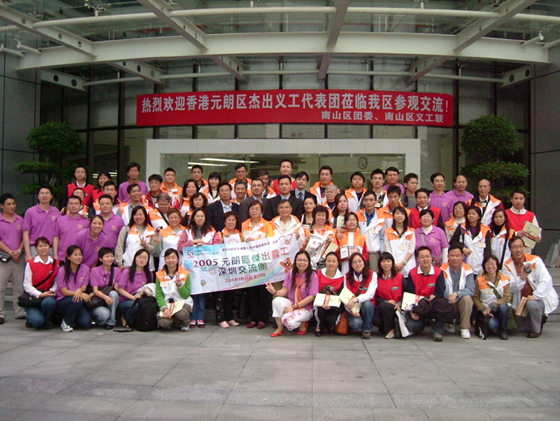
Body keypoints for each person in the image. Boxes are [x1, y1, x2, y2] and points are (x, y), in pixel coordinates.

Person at [502, 236, 558, 338]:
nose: (518, 250)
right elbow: (511, 287)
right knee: (516, 328)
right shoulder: (506, 265)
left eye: (520, 246)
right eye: (515, 247)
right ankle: (539, 319)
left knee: (532, 304)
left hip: (538, 298)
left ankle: (536, 330)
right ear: (510, 249)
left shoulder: (535, 260)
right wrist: (522, 278)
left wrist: (536, 296)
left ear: (524, 247)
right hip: (520, 300)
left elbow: (546, 280)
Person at [177, 209, 220, 328]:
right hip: (190, 267)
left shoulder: (212, 232)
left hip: (205, 267)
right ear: (193, 218)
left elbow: (217, 248)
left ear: (205, 218)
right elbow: (180, 247)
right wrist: (192, 242)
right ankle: (192, 317)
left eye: (202, 216)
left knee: (202, 292)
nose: (200, 218)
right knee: (191, 291)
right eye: (197, 216)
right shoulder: (186, 232)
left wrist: (205, 246)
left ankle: (200, 316)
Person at [266, 250, 319, 336]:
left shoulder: (312, 275)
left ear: (309, 262)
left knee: (287, 321)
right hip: (292, 302)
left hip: (305, 308)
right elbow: (285, 290)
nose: (302, 263)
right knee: (276, 301)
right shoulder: (291, 273)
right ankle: (280, 328)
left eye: (305, 260)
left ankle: (303, 322)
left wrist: (293, 307)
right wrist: (275, 291)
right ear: (295, 261)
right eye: (299, 260)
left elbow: (312, 297)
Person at [404, 247, 447, 342]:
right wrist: (411, 311)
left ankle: (438, 331)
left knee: (442, 303)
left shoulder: (438, 272)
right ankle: (422, 324)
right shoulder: (412, 273)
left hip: (432, 303)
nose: (425, 259)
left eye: (427, 256)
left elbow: (440, 291)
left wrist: (433, 297)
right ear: (417, 259)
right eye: (422, 257)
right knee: (412, 326)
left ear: (431, 257)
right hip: (418, 305)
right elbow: (410, 293)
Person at [242, 201, 274, 329]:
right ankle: (253, 318)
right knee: (251, 292)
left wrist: (254, 241)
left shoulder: (268, 224)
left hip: (263, 262)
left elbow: (270, 241)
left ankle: (262, 319)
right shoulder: (244, 224)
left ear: (261, 211)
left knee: (263, 292)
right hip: (249, 262)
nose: (254, 211)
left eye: (257, 209)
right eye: (252, 209)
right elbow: (241, 242)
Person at [21, 237, 59, 329]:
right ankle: (33, 317)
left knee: (50, 302)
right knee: (37, 322)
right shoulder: (31, 263)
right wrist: (40, 294)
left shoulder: (55, 263)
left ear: (49, 247)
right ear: (36, 248)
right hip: (33, 296)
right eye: (40, 246)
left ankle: (46, 321)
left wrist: (51, 291)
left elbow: (57, 281)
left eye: (45, 245)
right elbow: (27, 285)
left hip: (48, 295)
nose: (43, 248)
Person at [0, 193, 26, 321]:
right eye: (9, 204)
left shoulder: (20, 220)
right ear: (2, 206)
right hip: (3, 258)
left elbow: (25, 237)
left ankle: (19, 312)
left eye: (13, 204)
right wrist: (11, 252)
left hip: (18, 258)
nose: (12, 206)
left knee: (18, 287)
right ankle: (0, 313)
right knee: (1, 286)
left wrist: (19, 251)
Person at [473, 255, 511, 340]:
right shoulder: (479, 280)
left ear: (497, 265)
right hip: (486, 310)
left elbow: (507, 298)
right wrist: (483, 309)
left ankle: (503, 331)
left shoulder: (505, 279)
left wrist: (493, 305)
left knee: (503, 307)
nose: (490, 266)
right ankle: (495, 327)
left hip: (499, 308)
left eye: (492, 264)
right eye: (487, 264)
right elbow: (475, 297)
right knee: (493, 324)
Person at [440, 245, 475, 339]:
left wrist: (457, 294)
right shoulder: (442, 269)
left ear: (462, 256)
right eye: (452, 255)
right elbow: (440, 288)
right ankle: (448, 323)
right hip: (446, 298)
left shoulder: (468, 269)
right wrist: (448, 297)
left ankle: (464, 328)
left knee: (467, 299)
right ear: (447, 256)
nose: (455, 258)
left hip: (460, 299)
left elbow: (471, 289)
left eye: (457, 255)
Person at [214, 212, 242, 329]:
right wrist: (220, 243)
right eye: (229, 220)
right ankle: (221, 318)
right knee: (220, 295)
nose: (231, 222)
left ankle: (230, 317)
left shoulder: (239, 234)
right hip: (221, 268)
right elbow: (213, 249)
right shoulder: (219, 234)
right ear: (224, 222)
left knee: (231, 294)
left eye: (233, 220)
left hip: (234, 268)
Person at [56, 245, 91, 332]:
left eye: (80, 254)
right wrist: (79, 294)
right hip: (64, 300)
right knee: (78, 300)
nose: (78, 257)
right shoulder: (62, 270)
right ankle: (67, 322)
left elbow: (84, 287)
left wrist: (79, 291)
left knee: (85, 323)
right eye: (75, 255)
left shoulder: (85, 269)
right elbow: (64, 291)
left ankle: (73, 317)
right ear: (68, 257)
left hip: (78, 300)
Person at [155, 248, 192, 331]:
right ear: (164, 259)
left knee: (181, 314)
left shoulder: (185, 273)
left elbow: (186, 295)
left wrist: (179, 285)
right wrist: (164, 309)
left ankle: (185, 323)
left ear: (177, 259)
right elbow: (159, 294)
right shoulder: (159, 275)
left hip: (182, 302)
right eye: (168, 258)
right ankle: (172, 321)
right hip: (167, 303)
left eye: (173, 257)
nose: (170, 260)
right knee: (164, 323)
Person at [115, 206, 161, 271]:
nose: (138, 217)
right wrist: (120, 263)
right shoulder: (126, 229)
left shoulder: (152, 231)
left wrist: (146, 246)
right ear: (132, 216)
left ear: (145, 216)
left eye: (141, 215)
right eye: (136, 215)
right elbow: (119, 247)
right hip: (129, 265)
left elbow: (155, 251)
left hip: (147, 268)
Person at [343, 252, 377, 339]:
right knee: (355, 324)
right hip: (353, 307)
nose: (357, 264)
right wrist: (351, 310)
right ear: (351, 265)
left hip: (366, 305)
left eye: (359, 261)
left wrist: (356, 300)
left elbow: (370, 294)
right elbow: (345, 296)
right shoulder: (346, 277)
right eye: (354, 262)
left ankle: (367, 329)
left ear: (364, 262)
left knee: (367, 304)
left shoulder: (372, 274)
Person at [115, 249, 152, 328]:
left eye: (144, 258)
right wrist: (133, 297)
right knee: (138, 305)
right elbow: (120, 289)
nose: (141, 260)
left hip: (141, 299)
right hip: (125, 300)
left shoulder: (149, 274)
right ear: (135, 258)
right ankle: (125, 317)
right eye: (139, 257)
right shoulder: (127, 272)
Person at [23, 185, 61, 258]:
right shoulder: (30, 212)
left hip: (51, 249)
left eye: (47, 193)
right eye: (42, 193)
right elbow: (25, 233)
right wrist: (28, 254)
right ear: (38, 196)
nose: (44, 195)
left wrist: (56, 254)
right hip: (35, 249)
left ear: (51, 196)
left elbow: (57, 234)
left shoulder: (56, 211)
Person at [373, 252, 404, 339]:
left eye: (388, 261)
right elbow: (374, 296)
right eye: (383, 261)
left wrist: (399, 304)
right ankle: (390, 327)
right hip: (382, 306)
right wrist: (386, 301)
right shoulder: (376, 278)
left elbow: (406, 293)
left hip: (397, 307)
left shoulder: (400, 277)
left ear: (392, 263)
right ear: (379, 264)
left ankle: (390, 330)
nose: (386, 264)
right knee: (376, 318)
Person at [450, 206, 489, 274]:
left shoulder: (485, 229)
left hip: (480, 265)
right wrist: (463, 248)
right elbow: (453, 241)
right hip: (464, 264)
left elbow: (487, 249)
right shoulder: (462, 227)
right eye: (469, 214)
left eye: (473, 214)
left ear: (478, 216)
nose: (471, 215)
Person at [89, 247, 121, 330]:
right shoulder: (95, 271)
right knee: (104, 314)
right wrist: (105, 297)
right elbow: (95, 290)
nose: (110, 259)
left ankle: (111, 321)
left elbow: (116, 288)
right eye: (107, 256)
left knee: (114, 293)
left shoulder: (117, 270)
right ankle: (99, 321)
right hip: (98, 300)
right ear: (100, 259)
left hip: (111, 301)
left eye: (111, 256)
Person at [314, 252, 344, 336]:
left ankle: (331, 325)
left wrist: (330, 305)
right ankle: (319, 326)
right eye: (329, 261)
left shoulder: (342, 278)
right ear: (325, 262)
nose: (331, 263)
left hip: (334, 305)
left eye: (334, 261)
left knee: (331, 320)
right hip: (320, 303)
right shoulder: (318, 273)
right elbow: (315, 290)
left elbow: (340, 296)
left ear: (338, 263)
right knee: (320, 312)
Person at [357, 190, 385, 272]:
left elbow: (382, 237)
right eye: (366, 200)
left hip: (374, 252)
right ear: (363, 202)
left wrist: (382, 253)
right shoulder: (357, 215)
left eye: (371, 200)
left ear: (376, 201)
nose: (368, 202)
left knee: (374, 274)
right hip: (360, 251)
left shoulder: (381, 216)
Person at [383, 206, 416, 276]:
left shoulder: (411, 231)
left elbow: (411, 250)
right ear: (393, 216)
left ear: (405, 216)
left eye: (402, 214)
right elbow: (387, 250)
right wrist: (394, 264)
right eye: (397, 213)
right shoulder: (388, 232)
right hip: (393, 266)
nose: (400, 216)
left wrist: (403, 263)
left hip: (408, 266)